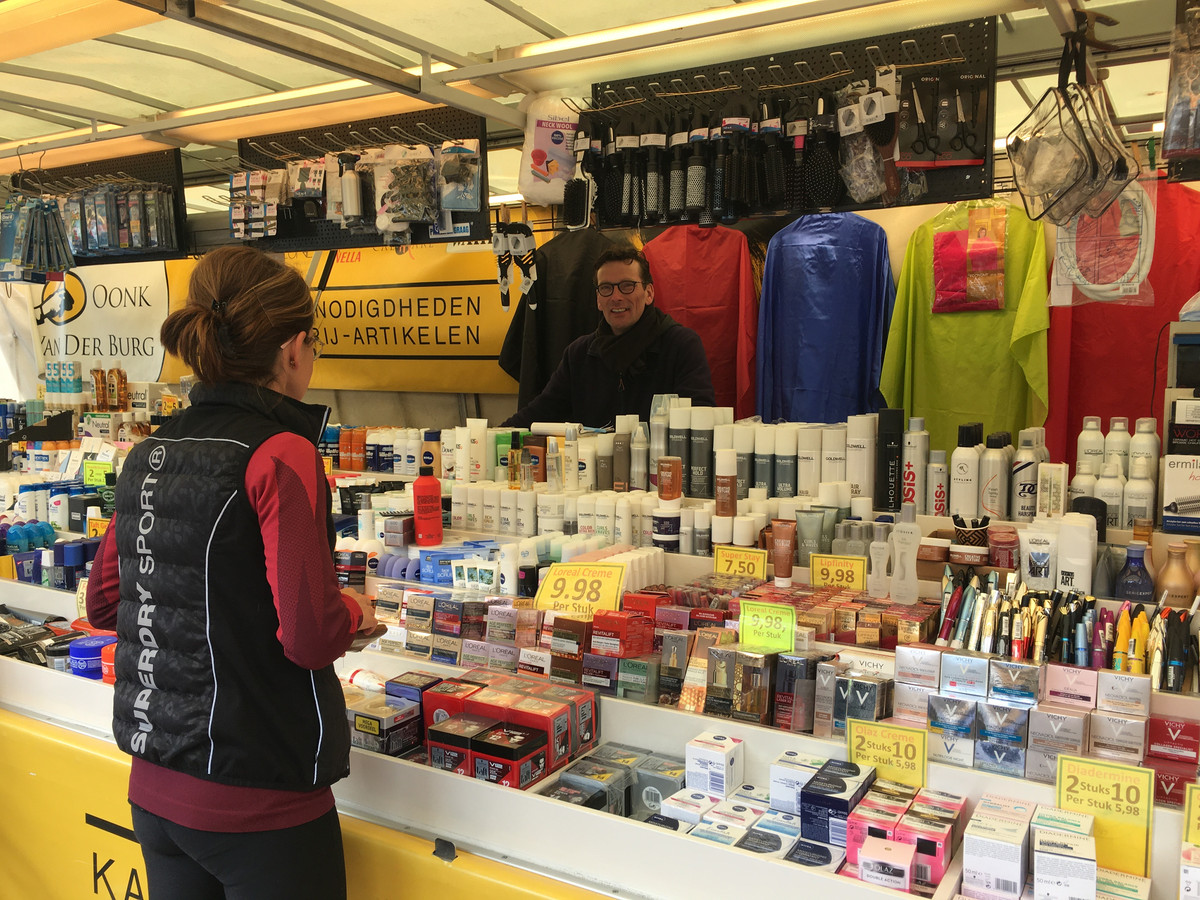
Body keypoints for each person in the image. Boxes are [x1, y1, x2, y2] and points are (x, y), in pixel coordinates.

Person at [85, 245, 377, 900]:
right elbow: (307, 636)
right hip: (260, 798)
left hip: (156, 787)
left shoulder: (148, 452)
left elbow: (106, 605)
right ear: (294, 348)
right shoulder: (282, 453)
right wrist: (356, 614)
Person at [502, 247, 715, 428]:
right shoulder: (579, 354)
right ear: (597, 299)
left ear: (649, 293)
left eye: (627, 286)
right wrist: (493, 435)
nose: (616, 297)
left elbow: (700, 422)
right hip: (594, 471)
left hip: (662, 472)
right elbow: (540, 412)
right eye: (606, 288)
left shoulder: (681, 345)